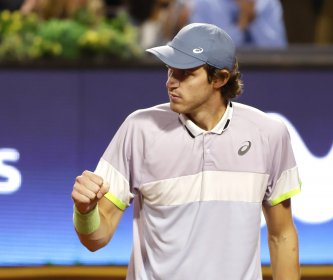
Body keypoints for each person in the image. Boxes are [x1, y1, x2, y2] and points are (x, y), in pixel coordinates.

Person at [71, 23, 301, 279]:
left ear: (220, 78)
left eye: (185, 73)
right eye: (170, 71)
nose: (171, 83)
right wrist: (86, 212)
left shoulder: (269, 134)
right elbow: (96, 238)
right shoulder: (138, 130)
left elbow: (282, 235)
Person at [188, 0, 287, 48]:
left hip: (264, 76)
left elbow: (278, 51)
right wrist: (241, 25)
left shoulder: (268, 3)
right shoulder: (204, 3)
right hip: (218, 78)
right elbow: (200, 50)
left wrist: (253, 20)